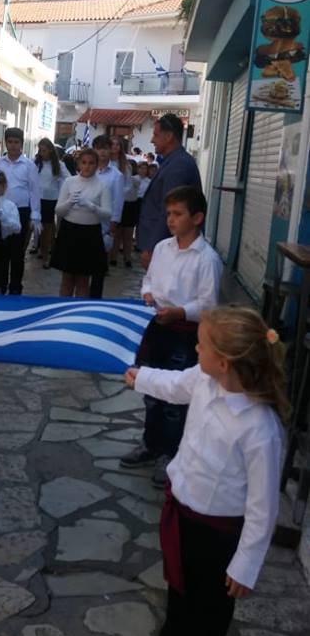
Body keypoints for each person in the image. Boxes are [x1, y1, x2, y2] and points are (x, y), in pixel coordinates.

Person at [124, 306, 288, 636]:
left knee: (210, 611)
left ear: (225, 361)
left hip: (219, 536)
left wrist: (246, 565)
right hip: (183, 517)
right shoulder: (204, 380)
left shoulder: (260, 430)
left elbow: (263, 509)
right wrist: (141, 378)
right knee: (178, 595)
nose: (196, 350)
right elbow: (176, 384)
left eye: (201, 346)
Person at [120, 186, 222, 487]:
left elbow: (209, 305)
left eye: (178, 214)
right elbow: (149, 280)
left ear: (198, 218)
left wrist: (180, 312)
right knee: (152, 388)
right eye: (169, 214)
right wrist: (148, 293)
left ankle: (172, 453)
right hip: (157, 327)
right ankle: (151, 443)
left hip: (184, 334)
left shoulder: (207, 259)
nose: (171, 220)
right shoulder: (163, 248)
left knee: (176, 399)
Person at [137, 114, 201, 271]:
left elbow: (171, 211)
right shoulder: (172, 161)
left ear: (169, 136)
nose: (152, 140)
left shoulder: (178, 165)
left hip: (169, 248)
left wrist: (153, 248)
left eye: (156, 135)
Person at [51, 147, 111, 298]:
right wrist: (70, 202)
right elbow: (58, 211)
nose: (87, 166)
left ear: (97, 165)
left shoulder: (102, 185)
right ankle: (63, 311)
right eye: (84, 162)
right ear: (78, 164)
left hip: (90, 234)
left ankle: (78, 314)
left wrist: (92, 207)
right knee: (67, 279)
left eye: (91, 163)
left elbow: (107, 214)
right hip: (70, 231)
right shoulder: (69, 182)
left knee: (83, 280)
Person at [0, 128, 41, 295]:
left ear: (22, 144)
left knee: (17, 252)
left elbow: (34, 191)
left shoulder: (29, 165)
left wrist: (35, 215)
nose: (13, 145)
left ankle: (15, 287)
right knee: (1, 250)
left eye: (16, 142)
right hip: (2, 211)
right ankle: (0, 285)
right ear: (6, 142)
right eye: (10, 142)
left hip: (21, 212)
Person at [89, 135, 124, 298]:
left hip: (103, 226)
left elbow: (118, 202)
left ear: (110, 150)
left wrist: (113, 225)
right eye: (99, 148)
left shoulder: (116, 176)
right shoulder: (88, 170)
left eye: (105, 148)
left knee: (98, 269)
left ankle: (95, 300)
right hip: (84, 222)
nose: (102, 152)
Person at [34, 137, 70, 268]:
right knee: (32, 227)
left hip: (50, 200)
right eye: (40, 150)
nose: (41, 153)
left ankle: (45, 258)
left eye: (43, 150)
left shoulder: (59, 165)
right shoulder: (36, 163)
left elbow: (68, 179)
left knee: (47, 230)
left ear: (50, 150)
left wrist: (62, 194)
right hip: (36, 199)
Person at [109, 136, 136, 267]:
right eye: (112, 144)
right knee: (115, 231)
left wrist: (118, 194)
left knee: (127, 232)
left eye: (117, 145)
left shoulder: (125, 164)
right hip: (110, 202)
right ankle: (112, 256)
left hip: (126, 201)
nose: (114, 147)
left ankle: (127, 257)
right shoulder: (106, 163)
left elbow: (128, 184)